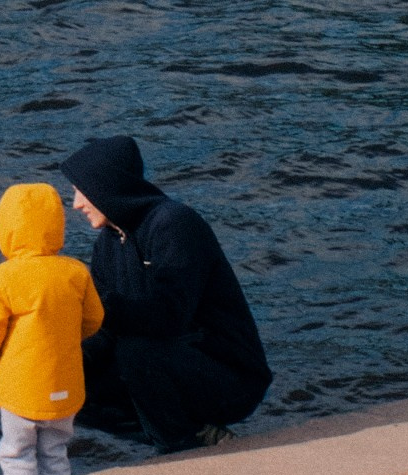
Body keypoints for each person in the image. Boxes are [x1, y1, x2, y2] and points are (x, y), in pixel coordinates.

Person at [60, 134, 270, 453]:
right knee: (68, 385)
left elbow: (170, 317)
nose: (75, 203)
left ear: (106, 185)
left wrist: (98, 306)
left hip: (229, 375)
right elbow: (106, 332)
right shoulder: (106, 244)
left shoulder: (174, 224)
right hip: (170, 366)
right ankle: (190, 435)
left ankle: (180, 446)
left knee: (136, 351)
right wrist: (65, 362)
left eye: (81, 191)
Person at [0, 182, 104, 475]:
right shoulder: (75, 272)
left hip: (21, 389)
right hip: (64, 386)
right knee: (55, 452)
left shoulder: (1, 278)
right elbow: (94, 319)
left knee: (17, 453)